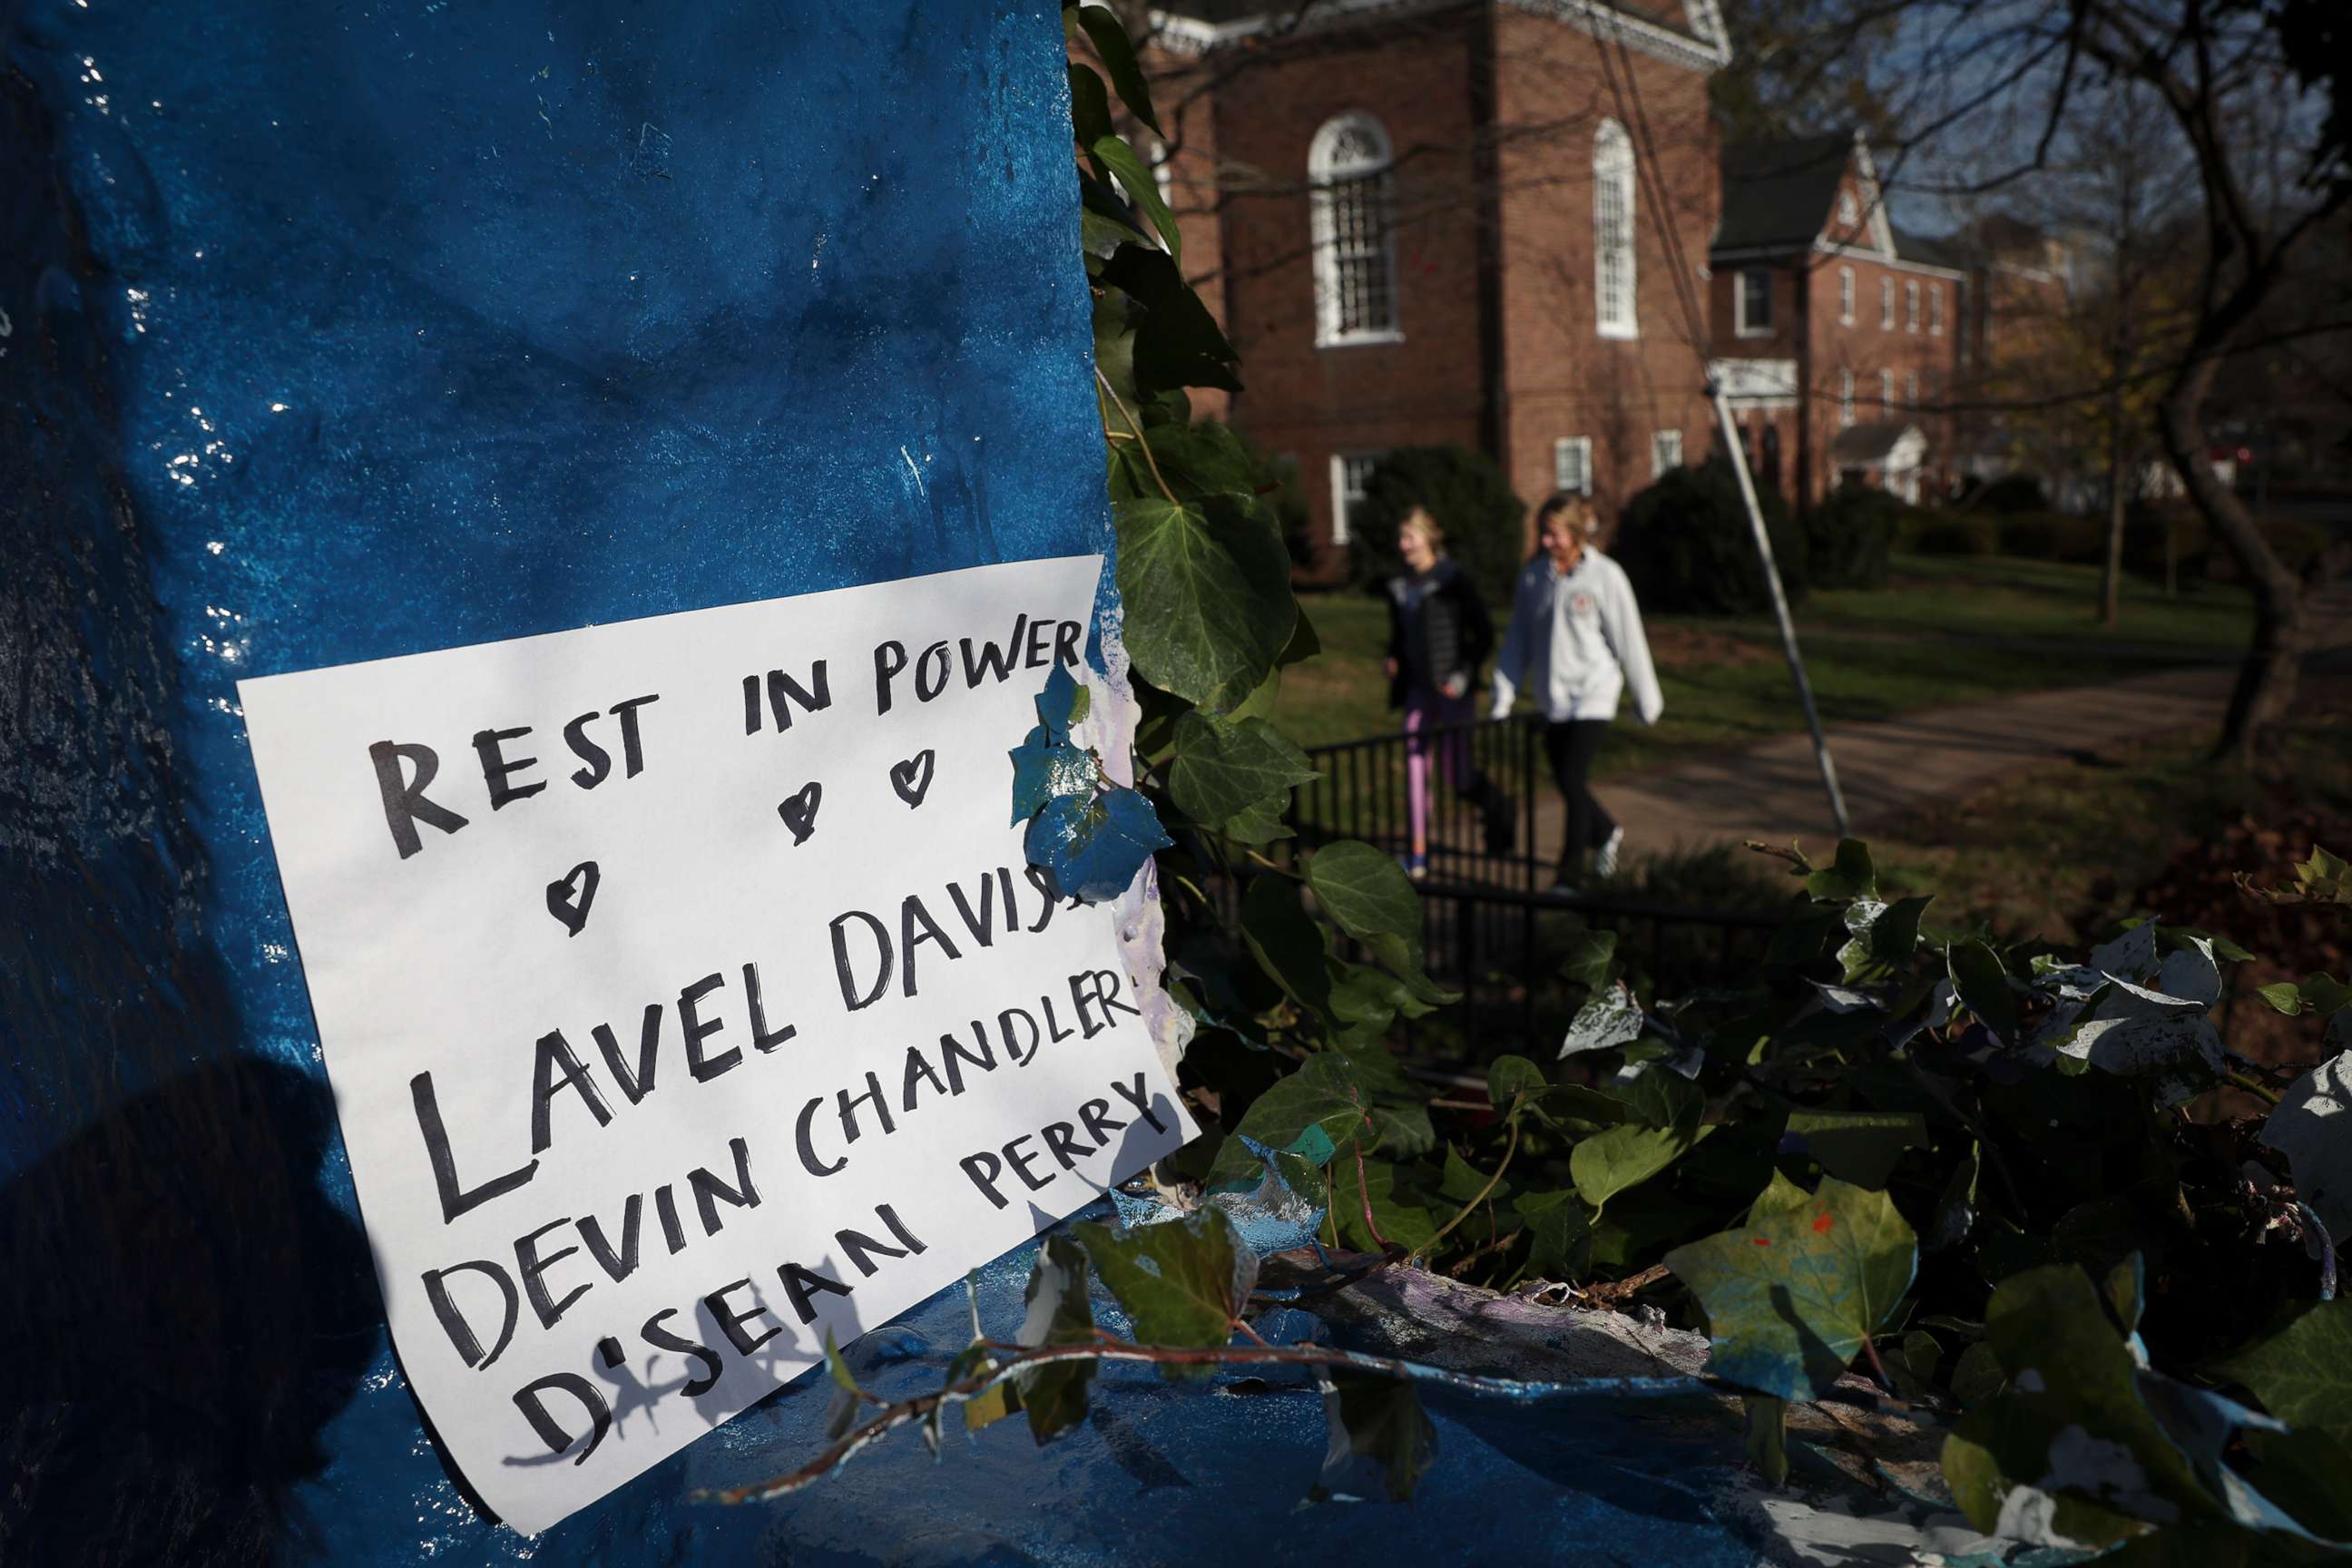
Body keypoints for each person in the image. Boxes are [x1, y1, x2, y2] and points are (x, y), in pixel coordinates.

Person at [1489, 493, 1661, 896]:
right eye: (1543, 534)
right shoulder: (1533, 579)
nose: (1547, 542)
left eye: (1554, 534)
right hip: (1553, 698)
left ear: (1575, 531)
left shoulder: (1605, 576)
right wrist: (1504, 694)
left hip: (1594, 693)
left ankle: (1570, 875)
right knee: (1568, 782)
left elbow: (1628, 638)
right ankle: (1604, 831)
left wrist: (1646, 698)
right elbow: (1518, 642)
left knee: (1571, 776)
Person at [1383, 507, 1514, 879]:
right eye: (1401, 537)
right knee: (1414, 763)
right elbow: (1398, 637)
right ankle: (1418, 854)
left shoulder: (1453, 580)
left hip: (1453, 691)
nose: (1402, 545)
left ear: (1429, 539)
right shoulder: (1399, 586)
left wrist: (1461, 676)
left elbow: (1484, 634)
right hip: (1418, 691)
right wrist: (1393, 659)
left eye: (1409, 537)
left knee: (1456, 774)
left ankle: (1499, 808)